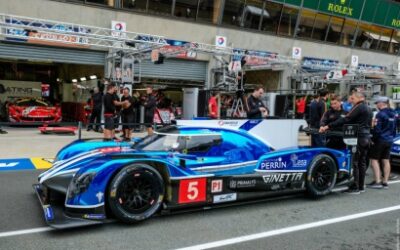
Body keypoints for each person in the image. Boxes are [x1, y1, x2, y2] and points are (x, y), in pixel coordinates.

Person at [320, 91, 372, 194]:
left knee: (355, 163)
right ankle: (361, 186)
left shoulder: (359, 107)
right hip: (366, 137)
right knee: (362, 162)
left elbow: (347, 119)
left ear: (358, 97)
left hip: (359, 138)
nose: (351, 100)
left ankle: (355, 187)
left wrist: (328, 126)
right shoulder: (368, 108)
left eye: (353, 98)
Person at [367, 97, 396, 189]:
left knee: (374, 160)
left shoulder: (380, 114)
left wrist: (372, 138)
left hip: (380, 140)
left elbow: (377, 129)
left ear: (382, 103)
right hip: (390, 139)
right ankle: (385, 182)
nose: (376, 105)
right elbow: (395, 128)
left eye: (377, 103)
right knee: (386, 160)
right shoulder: (393, 113)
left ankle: (377, 181)